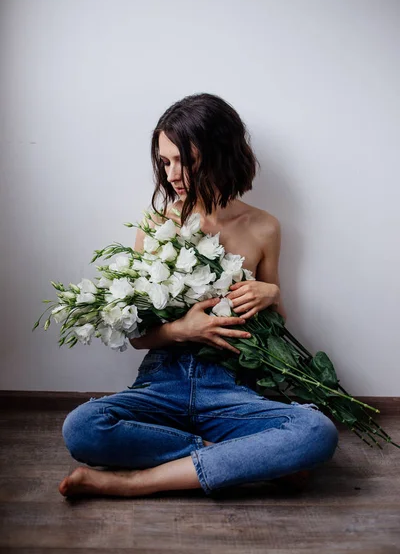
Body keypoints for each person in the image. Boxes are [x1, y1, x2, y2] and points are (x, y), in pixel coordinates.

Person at [59, 93, 339, 498]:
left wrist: (270, 291)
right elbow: (139, 337)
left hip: (229, 388)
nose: (172, 174)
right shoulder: (156, 225)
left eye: (183, 161)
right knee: (82, 428)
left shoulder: (264, 228)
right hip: (161, 385)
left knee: (317, 432)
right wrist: (183, 330)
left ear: (218, 153)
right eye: (165, 161)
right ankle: (239, 459)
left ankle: (135, 483)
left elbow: (276, 324)